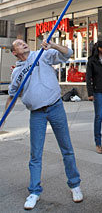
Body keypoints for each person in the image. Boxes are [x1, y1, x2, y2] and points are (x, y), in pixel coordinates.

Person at [2, 39, 83, 210]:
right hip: (37, 113)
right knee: (35, 154)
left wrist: (53, 45)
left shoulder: (42, 55)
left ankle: (75, 185)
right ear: (14, 52)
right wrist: (3, 120)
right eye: (19, 44)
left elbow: (68, 53)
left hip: (55, 107)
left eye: (24, 42)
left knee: (66, 148)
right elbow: (12, 97)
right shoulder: (17, 72)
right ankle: (34, 192)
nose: (24, 43)